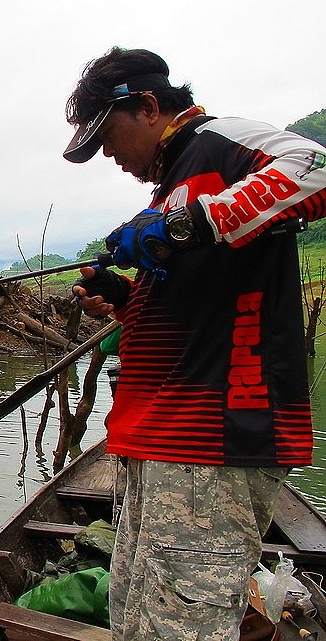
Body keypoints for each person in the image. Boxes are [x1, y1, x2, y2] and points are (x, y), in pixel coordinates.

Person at [64, 46, 326, 640]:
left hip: (211, 437)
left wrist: (181, 226)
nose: (110, 156)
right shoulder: (172, 190)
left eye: (109, 138)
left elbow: (318, 166)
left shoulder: (216, 143)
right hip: (157, 439)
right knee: (136, 620)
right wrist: (125, 295)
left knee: (181, 628)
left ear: (148, 106)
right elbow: (197, 306)